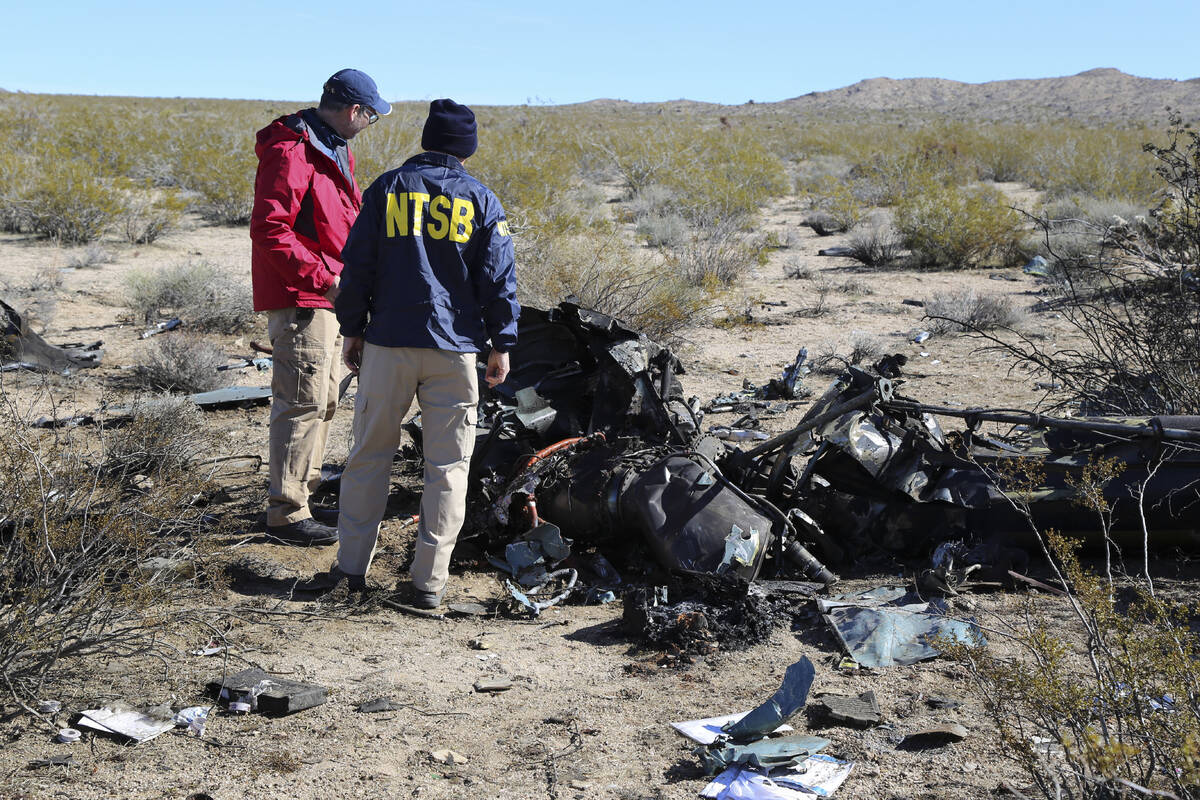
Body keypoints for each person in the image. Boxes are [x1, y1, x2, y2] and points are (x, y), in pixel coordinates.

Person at [330, 99, 519, 606]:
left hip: (388, 344)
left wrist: (353, 329)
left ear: (426, 138)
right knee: (448, 468)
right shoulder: (481, 200)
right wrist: (501, 343)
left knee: (369, 456)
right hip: (454, 352)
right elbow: (498, 280)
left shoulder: (388, 188)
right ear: (467, 148)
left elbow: (356, 270)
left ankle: (350, 571)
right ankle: (428, 584)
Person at [250, 69, 391, 546]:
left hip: (326, 295)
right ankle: (286, 513)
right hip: (304, 298)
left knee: (324, 399)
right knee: (302, 400)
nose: (371, 122)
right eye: (371, 114)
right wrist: (326, 279)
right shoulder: (293, 148)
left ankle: (301, 496)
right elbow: (271, 229)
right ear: (354, 110)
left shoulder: (328, 145)